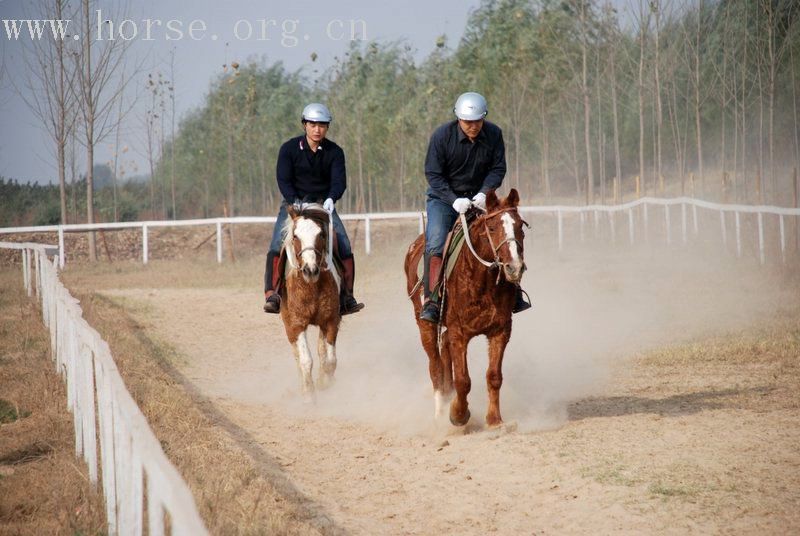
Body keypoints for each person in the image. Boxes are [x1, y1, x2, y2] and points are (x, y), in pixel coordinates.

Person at [419, 92, 531, 323]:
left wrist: (484, 192)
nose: (473, 126)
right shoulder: (441, 136)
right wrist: (453, 199)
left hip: (480, 199)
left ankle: (514, 290)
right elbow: (433, 174)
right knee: (436, 241)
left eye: (477, 121)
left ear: (484, 118)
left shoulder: (494, 134)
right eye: (468, 122)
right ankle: (432, 299)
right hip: (444, 200)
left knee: (503, 234)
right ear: (458, 118)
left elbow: (497, 168)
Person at [263, 103, 364, 315]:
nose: (317, 129)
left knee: (343, 244)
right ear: (304, 125)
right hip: (294, 204)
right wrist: (293, 201)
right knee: (276, 243)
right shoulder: (288, 149)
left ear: (327, 128)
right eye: (312, 124)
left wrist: (331, 198)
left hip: (322, 205)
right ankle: (273, 293)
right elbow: (283, 179)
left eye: (322, 125)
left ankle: (347, 295)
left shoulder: (335, 152)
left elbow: (339, 181)